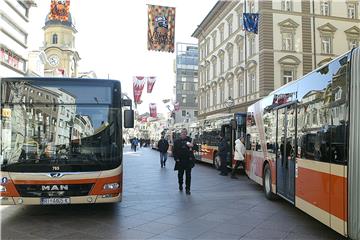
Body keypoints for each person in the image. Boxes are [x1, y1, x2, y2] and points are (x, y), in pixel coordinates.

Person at [173, 128, 198, 195]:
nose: (184, 133)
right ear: (180, 133)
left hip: (188, 160)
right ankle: (180, 184)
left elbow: (196, 148)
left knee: (188, 175)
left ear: (186, 133)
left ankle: (187, 189)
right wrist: (176, 158)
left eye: (185, 132)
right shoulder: (177, 141)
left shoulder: (190, 140)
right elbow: (174, 151)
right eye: (182, 132)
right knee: (180, 175)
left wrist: (192, 146)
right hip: (180, 161)